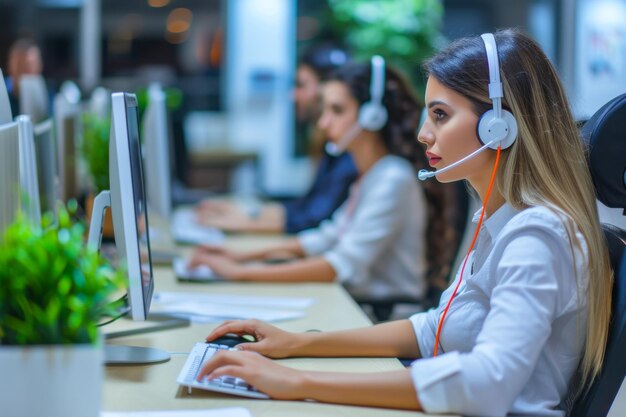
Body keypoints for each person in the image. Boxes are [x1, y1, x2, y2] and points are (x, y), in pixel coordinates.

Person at [193, 29, 612, 416]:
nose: (423, 134)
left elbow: (486, 384)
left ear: (498, 126)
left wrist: (298, 382)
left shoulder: (537, 236)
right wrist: (297, 343)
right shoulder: (500, 219)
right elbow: (435, 328)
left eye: (441, 115)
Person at [189, 57, 453, 303]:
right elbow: (325, 238)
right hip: (356, 304)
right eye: (324, 110)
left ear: (372, 116)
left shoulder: (392, 178)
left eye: (337, 110)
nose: (324, 123)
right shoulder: (372, 174)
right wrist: (239, 256)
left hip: (381, 314)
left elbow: (341, 264)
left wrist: (240, 273)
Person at [194, 45, 359, 234]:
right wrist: (245, 213)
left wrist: (240, 222)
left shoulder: (349, 152)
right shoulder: (329, 145)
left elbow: (314, 218)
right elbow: (307, 207)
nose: (292, 95)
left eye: (301, 85)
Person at [4, 38, 43, 117]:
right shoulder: (3, 94)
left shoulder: (48, 95)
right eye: (20, 66)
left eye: (29, 66)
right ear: (9, 67)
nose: (24, 73)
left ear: (39, 67)